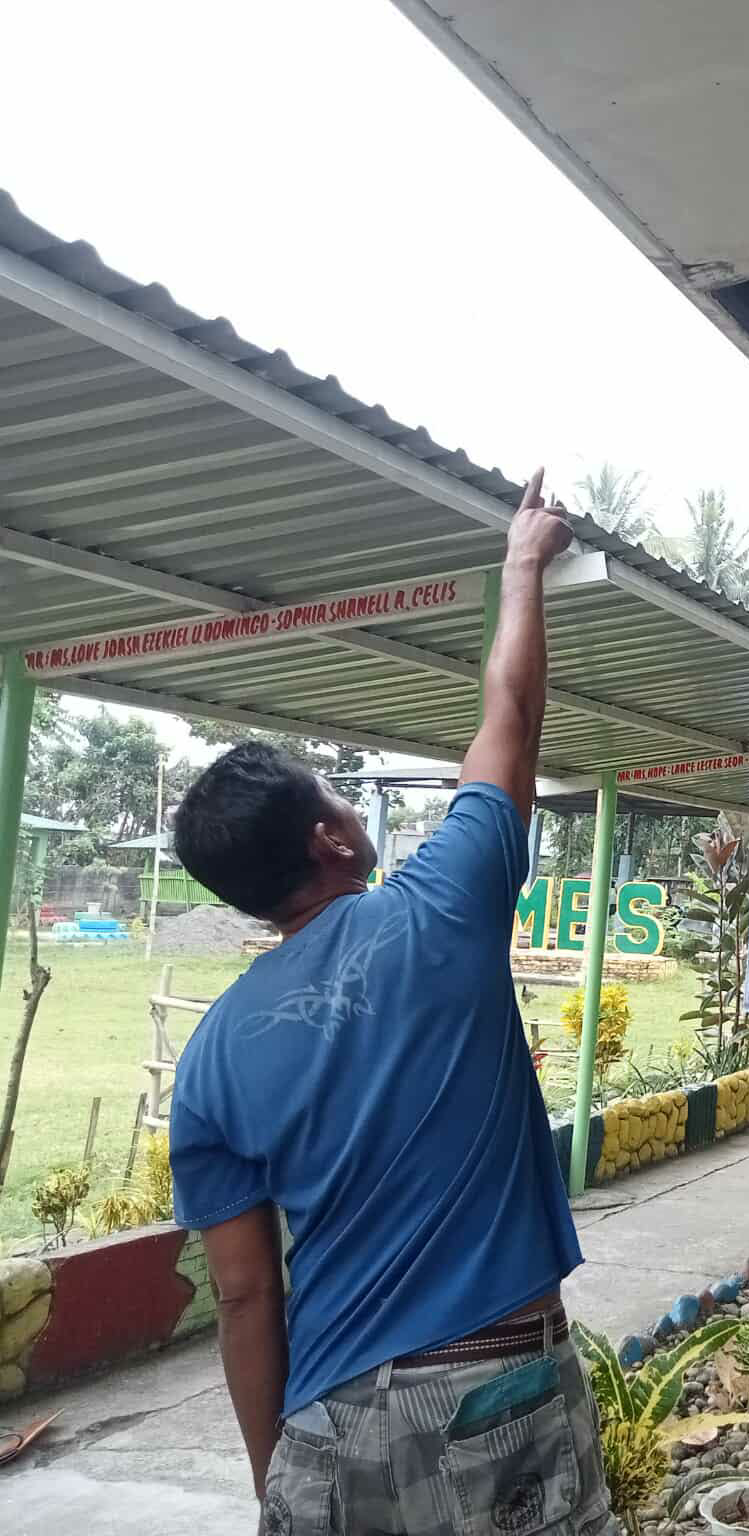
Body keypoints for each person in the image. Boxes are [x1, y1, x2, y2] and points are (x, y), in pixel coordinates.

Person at [168, 470, 617, 1535]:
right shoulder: (439, 911)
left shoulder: (211, 1055)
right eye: (331, 790)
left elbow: (242, 1297)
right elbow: (508, 715)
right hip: (490, 1393)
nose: (345, 798)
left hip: (323, 1428)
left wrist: (276, 1475)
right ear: (331, 838)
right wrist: (521, 565)